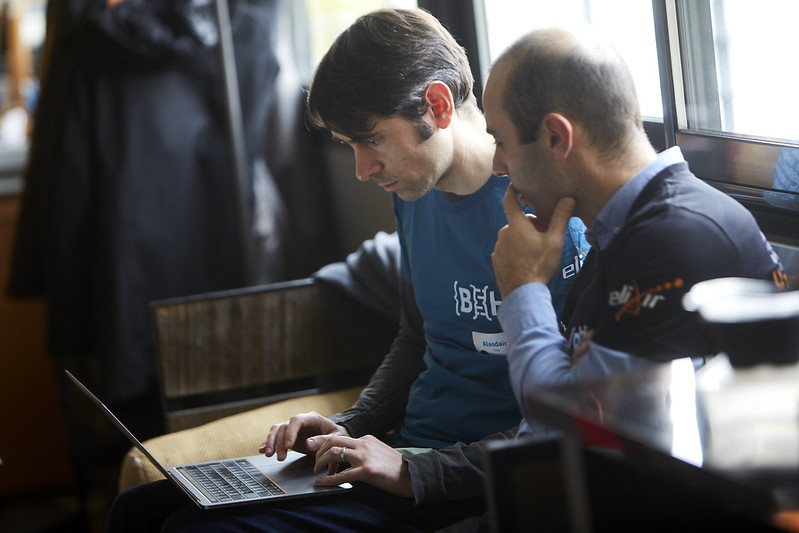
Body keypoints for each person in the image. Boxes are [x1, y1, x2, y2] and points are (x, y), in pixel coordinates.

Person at [105, 9, 589, 531]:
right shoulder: (415, 193)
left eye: (372, 139)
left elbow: (557, 420)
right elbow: (416, 338)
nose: (362, 170)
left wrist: (414, 470)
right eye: (351, 146)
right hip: (395, 454)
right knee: (137, 510)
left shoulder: (547, 213)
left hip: (453, 482)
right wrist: (347, 426)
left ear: (437, 105)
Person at [482, 27, 787, 435]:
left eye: (501, 142)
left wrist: (524, 290)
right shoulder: (620, 232)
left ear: (556, 137)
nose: (497, 166)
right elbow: (577, 404)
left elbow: (567, 429)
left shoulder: (674, 237)